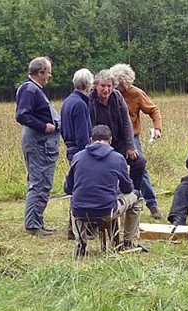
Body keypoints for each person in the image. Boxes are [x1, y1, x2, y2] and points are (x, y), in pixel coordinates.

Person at [64, 125, 144, 256]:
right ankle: (128, 241)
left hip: (80, 211)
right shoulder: (118, 158)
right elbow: (127, 188)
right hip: (107, 211)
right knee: (137, 197)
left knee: (74, 201)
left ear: (91, 139)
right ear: (110, 140)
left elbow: (68, 189)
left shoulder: (77, 157)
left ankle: (80, 243)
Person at [110, 63, 163, 219]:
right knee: (112, 169)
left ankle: (151, 204)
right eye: (117, 86)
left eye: (123, 87)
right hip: (113, 139)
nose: (120, 90)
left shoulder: (136, 94)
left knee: (140, 166)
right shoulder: (109, 93)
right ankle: (115, 203)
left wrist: (157, 128)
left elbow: (153, 110)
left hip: (132, 137)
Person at [15, 56, 60, 236]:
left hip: (41, 144)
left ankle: (37, 222)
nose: (49, 75)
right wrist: (44, 126)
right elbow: (21, 115)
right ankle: (33, 225)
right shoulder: (29, 89)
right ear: (41, 72)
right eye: (48, 72)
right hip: (38, 143)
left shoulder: (34, 89)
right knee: (39, 181)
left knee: (42, 181)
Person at [88, 69, 146, 192]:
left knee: (139, 162)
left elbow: (126, 121)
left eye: (109, 86)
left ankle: (133, 194)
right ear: (96, 86)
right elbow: (89, 127)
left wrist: (130, 146)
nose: (106, 90)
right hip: (100, 144)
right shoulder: (90, 100)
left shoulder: (117, 96)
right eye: (102, 86)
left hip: (120, 142)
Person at [60, 68, 94, 240]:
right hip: (80, 151)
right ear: (89, 84)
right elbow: (82, 134)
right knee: (82, 190)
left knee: (77, 188)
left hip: (70, 149)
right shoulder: (80, 104)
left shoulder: (67, 101)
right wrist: (89, 152)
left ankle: (75, 228)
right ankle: (76, 229)